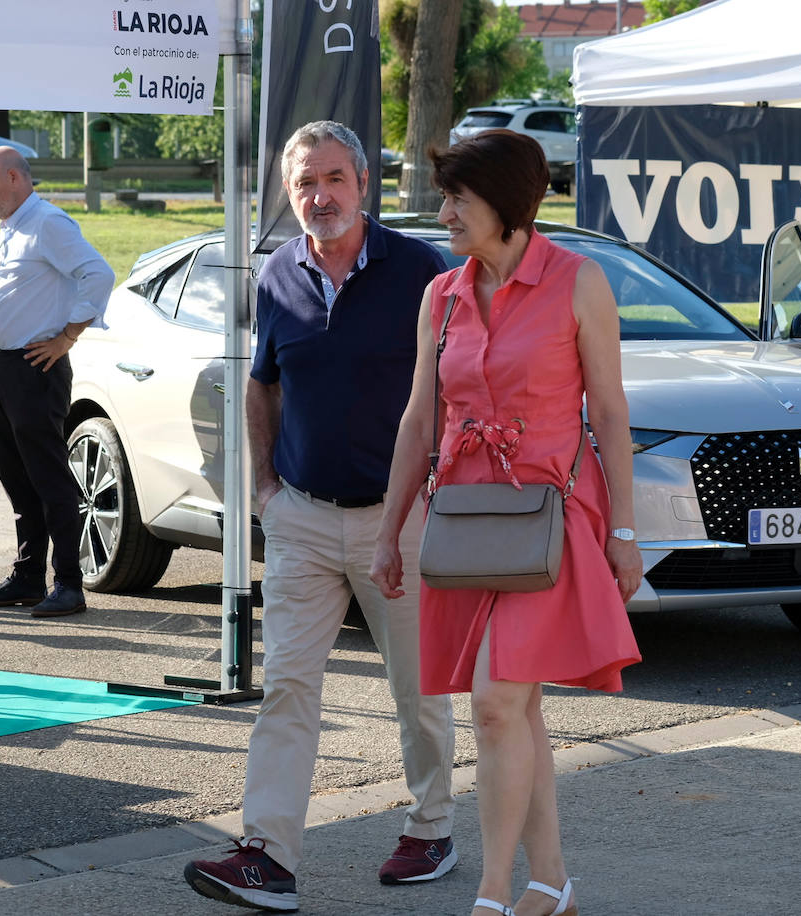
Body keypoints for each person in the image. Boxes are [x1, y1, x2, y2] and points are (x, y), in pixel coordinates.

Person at [183, 121, 457, 913]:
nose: (319, 195)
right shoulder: (276, 275)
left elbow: (453, 386)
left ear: (363, 184)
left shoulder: (420, 271)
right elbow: (262, 385)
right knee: (288, 687)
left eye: (334, 178)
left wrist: (432, 497)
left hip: (397, 519)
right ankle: (267, 854)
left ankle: (432, 826)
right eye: (304, 182)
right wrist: (265, 485)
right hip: (300, 514)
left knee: (418, 688)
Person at [369, 129, 644, 916]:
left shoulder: (579, 282)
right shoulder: (441, 296)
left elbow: (612, 415)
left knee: (494, 702)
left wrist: (623, 531)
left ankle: (492, 894)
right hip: (464, 524)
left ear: (508, 204)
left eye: (459, 197)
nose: (445, 211)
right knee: (515, 708)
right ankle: (550, 884)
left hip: (551, 521)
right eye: (446, 196)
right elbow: (421, 418)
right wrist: (390, 531)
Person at [0, 146, 114, 619]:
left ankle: (68, 583)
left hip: (37, 369)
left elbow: (99, 274)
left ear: (14, 177)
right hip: (4, 367)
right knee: (17, 480)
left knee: (49, 478)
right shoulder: (13, 224)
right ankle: (28, 577)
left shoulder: (49, 222)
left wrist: (68, 335)